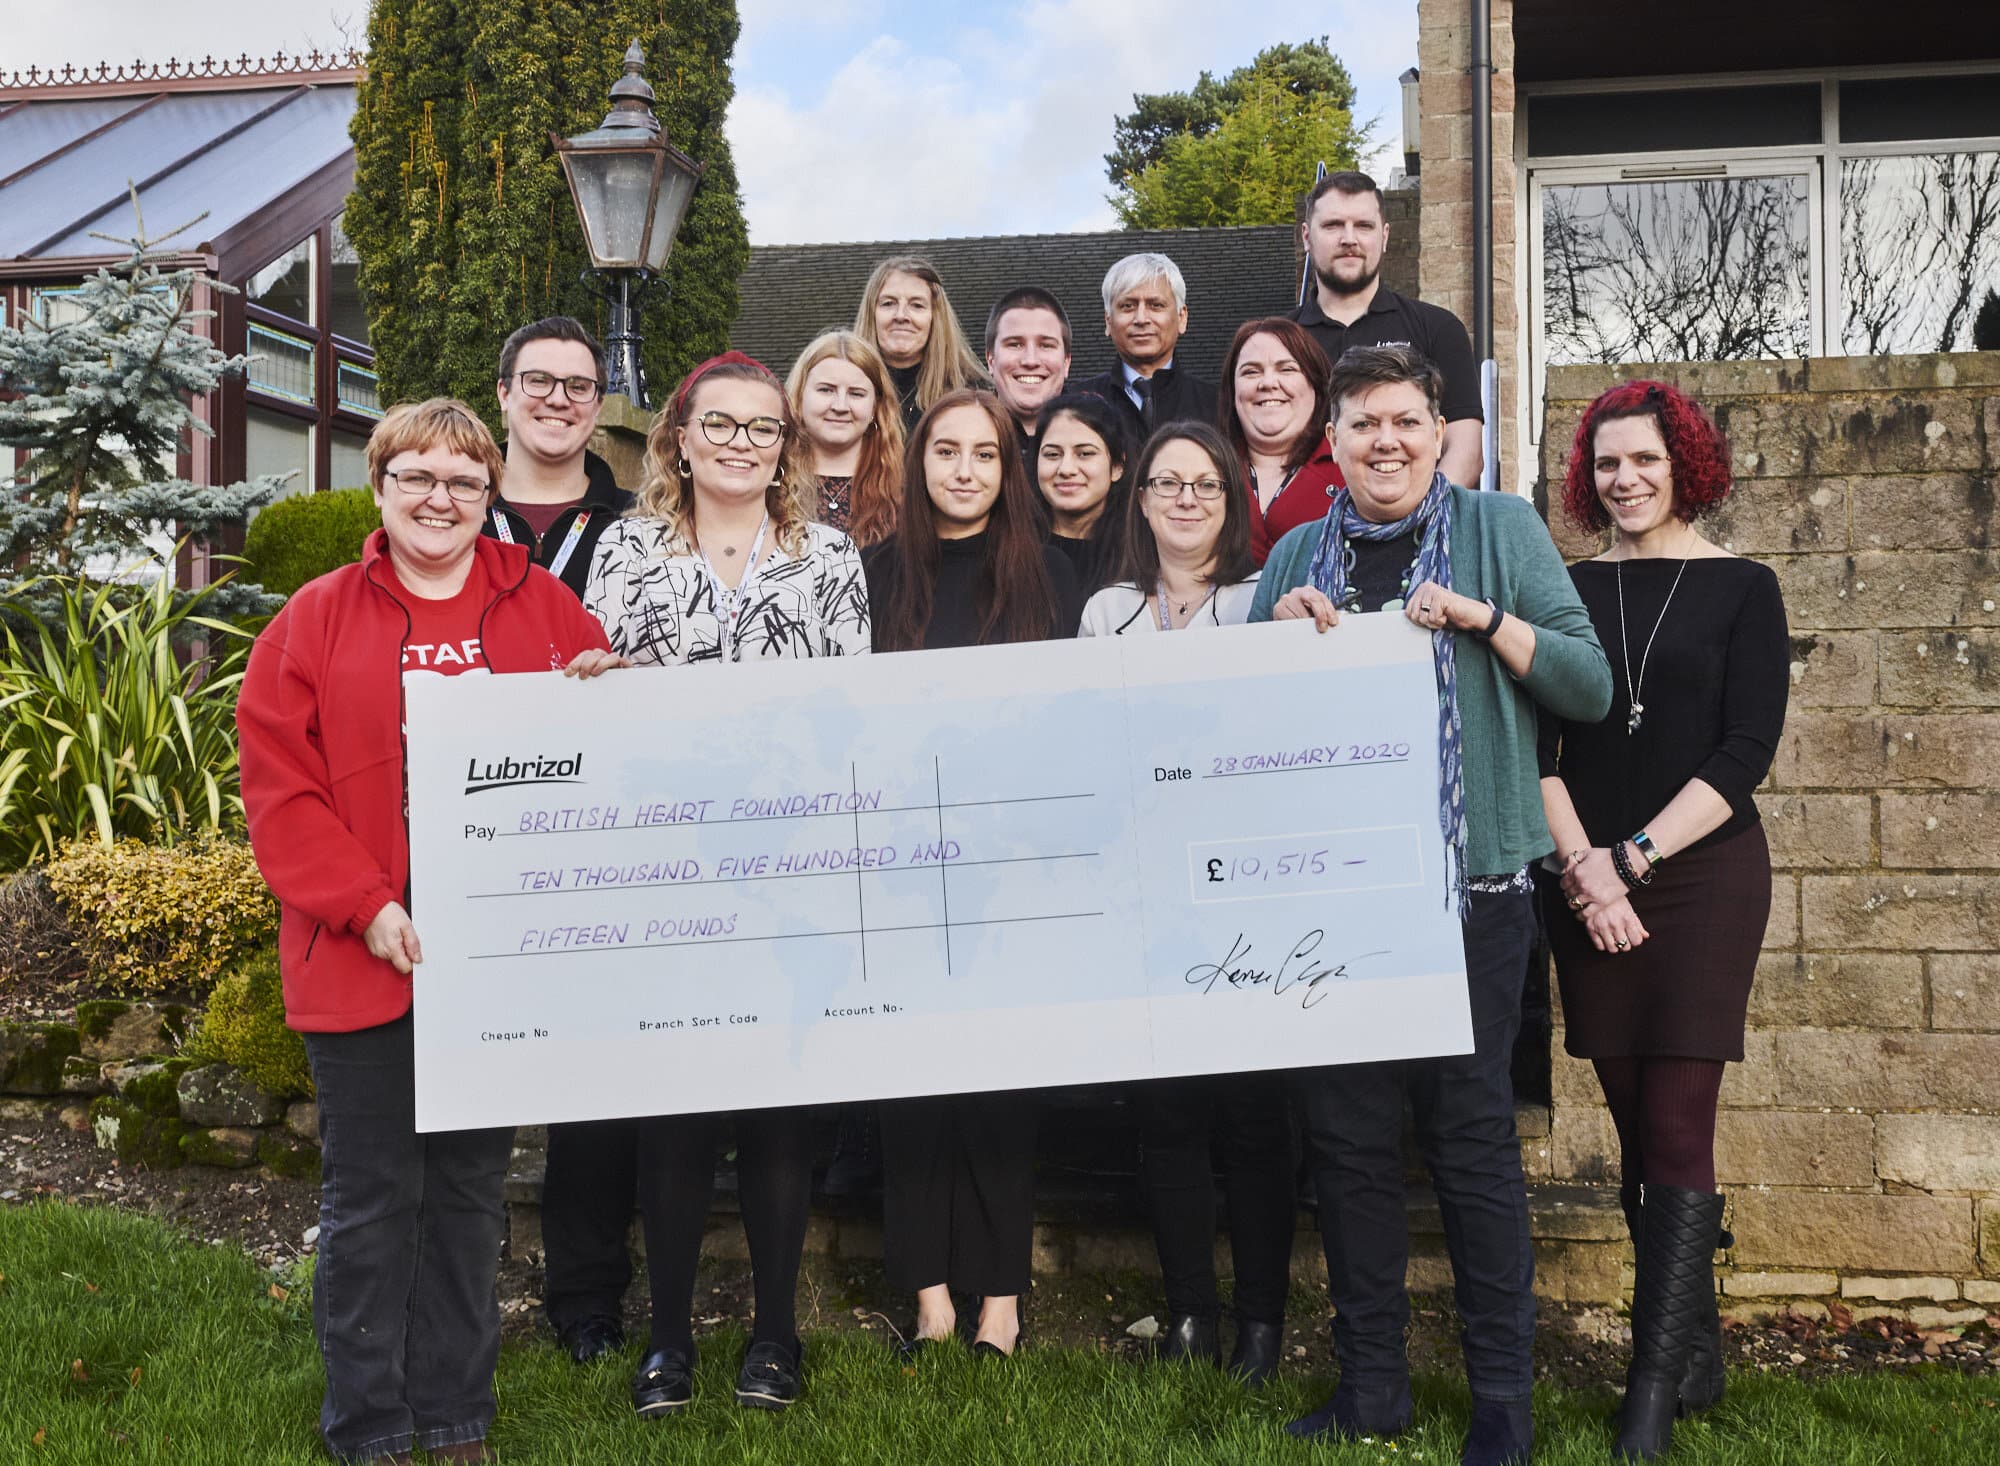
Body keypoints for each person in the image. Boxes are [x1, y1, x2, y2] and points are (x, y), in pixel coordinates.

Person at [238, 398, 621, 1465]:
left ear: (487, 494)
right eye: (417, 476)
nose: (438, 498)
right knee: (371, 1194)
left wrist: (604, 687)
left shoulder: (541, 606)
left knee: (464, 1191)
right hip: (360, 953)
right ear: (381, 487)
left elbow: (607, 762)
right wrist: (368, 905)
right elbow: (281, 790)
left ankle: (454, 1415)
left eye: (461, 480)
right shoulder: (312, 619)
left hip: (493, 964)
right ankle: (368, 1423)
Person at [1252, 346, 1611, 1466]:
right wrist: (1270, 646)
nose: (1384, 443)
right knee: (1349, 1145)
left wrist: (1482, 621)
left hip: (1474, 892)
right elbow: (1242, 733)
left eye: (1404, 421)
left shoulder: (1499, 528)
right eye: (1361, 425)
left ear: (1436, 427)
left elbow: (1587, 686)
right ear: (1334, 442)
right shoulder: (1295, 553)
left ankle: (1500, 1393)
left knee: (1469, 1144)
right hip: (1336, 899)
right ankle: (1371, 1386)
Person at [583, 351, 869, 1415]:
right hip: (665, 866)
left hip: (788, 868)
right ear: (681, 438)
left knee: (778, 1113)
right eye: (723, 425)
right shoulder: (624, 550)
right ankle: (665, 1342)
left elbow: (849, 712)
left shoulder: (831, 558)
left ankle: (775, 1336)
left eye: (763, 428)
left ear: (784, 447)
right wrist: (591, 685)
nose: (742, 443)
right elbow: (594, 701)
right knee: (676, 1112)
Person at [1539, 381, 1788, 1462]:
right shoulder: (1561, 588)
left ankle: (1647, 1390)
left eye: (1642, 460)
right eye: (1604, 465)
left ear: (1684, 464)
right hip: (1581, 874)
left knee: (1680, 1120)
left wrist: (1631, 859)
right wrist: (1586, 873)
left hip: (1699, 875)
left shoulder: (1742, 588)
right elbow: (1536, 748)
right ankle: (1695, 1344)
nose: (1623, 480)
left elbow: (1744, 751)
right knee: (1635, 1118)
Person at [863, 388, 1083, 1358]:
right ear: (916, 464)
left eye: (982, 454)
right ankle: (929, 1291)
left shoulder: (1056, 579)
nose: (961, 469)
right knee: (909, 1084)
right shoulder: (872, 574)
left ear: (1007, 469)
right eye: (942, 450)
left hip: (1013, 870)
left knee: (999, 1084)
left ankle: (1001, 1292)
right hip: (900, 871)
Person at [486, 315, 642, 1369]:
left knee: (597, 1075)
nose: (556, 399)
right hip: (475, 826)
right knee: (476, 1069)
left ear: (597, 403)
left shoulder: (631, 525)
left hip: (600, 826)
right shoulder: (451, 504)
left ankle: (585, 1298)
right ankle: (456, 1283)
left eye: (577, 385)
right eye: (537, 380)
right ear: (502, 393)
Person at [1289, 171, 1484, 491]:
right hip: (1303, 531)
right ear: (1307, 237)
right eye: (1333, 225)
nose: (1349, 238)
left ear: (1385, 236)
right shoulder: (1278, 343)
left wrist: (1414, 524)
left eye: (1363, 226)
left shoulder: (1437, 330)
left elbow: (1466, 453)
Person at [1078, 421, 1259, 636]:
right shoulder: (1104, 611)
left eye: (1207, 485)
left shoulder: (1263, 597)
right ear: (1143, 500)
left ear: (1229, 504)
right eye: (1168, 483)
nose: (1187, 500)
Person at [1216, 317, 1342, 565]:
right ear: (1233, 392)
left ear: (1316, 385)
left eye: (1287, 369)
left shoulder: (1350, 467)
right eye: (1251, 372)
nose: (1268, 383)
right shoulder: (1205, 469)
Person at [1073, 252, 1217, 446]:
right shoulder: (1076, 404)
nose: (1141, 319)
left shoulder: (1217, 405)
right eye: (1127, 306)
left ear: (1182, 318)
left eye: (1156, 305)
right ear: (1108, 321)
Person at [786, 328, 905, 546]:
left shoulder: (904, 490)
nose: (840, 406)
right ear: (800, 396)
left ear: (876, 406)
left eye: (856, 394)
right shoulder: (772, 483)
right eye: (826, 390)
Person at [854, 256, 988, 429]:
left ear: (935, 317)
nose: (901, 316)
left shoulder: (972, 394)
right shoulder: (842, 391)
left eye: (917, 305)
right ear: (871, 314)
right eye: (888, 303)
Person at [1035, 391, 1134, 594]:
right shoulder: (1010, 547)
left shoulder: (1140, 554)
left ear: (1117, 467)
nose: (1066, 469)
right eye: (1052, 454)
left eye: (1085, 454)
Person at [983, 286, 1072, 471]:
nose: (1030, 360)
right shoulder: (961, 435)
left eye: (1046, 345)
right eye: (1015, 344)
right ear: (991, 360)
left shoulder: (1101, 436)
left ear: (1066, 362)